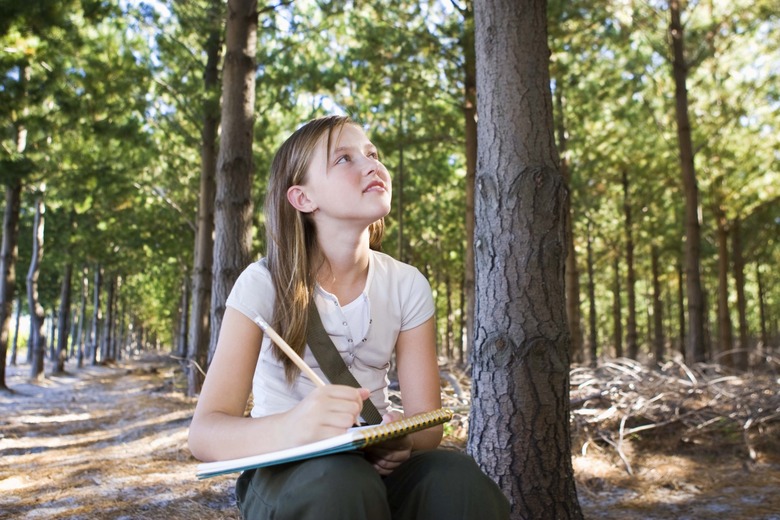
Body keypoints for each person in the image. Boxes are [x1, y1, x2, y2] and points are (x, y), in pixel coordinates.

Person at [188, 115, 509, 519]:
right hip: (286, 471)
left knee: (458, 480)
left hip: (372, 468)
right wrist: (296, 425)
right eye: (344, 159)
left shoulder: (406, 284)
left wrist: (399, 442)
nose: (372, 164)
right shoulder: (263, 284)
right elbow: (204, 434)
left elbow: (427, 427)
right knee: (339, 485)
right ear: (303, 199)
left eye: (372, 154)